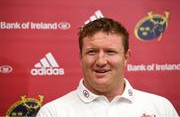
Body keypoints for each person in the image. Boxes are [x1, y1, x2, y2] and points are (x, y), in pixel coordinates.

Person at [36, 18, 179, 117]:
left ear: (126, 57)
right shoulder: (53, 112)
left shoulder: (161, 108)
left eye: (110, 52)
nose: (100, 61)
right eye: (92, 52)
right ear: (81, 57)